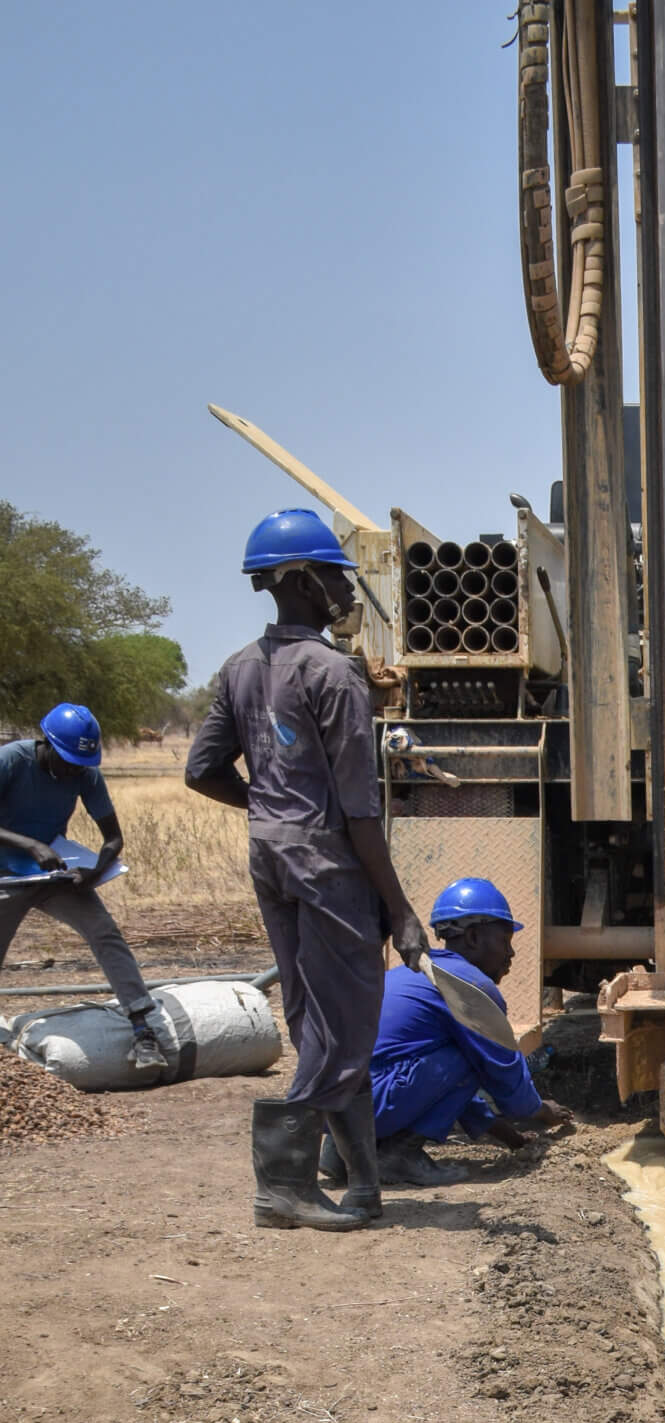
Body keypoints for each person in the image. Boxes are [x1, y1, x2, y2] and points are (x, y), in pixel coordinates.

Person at [186, 509, 428, 1232]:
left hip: (271, 855)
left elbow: (202, 771)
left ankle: (363, 1186)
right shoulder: (333, 673)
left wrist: (269, 808)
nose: (345, 588)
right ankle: (283, 1186)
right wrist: (401, 911)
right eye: (333, 574)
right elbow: (359, 810)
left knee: (318, 1022)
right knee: (346, 1028)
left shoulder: (239, 668)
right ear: (297, 580)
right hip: (327, 864)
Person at [322, 876, 571, 1190]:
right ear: (473, 937)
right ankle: (399, 1154)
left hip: (339, 1108)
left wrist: (511, 1138)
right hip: (376, 1101)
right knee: (469, 1056)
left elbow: (446, 1089)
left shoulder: (413, 972)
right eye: (505, 941)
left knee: (459, 1056)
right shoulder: (469, 987)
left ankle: (342, 1151)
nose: (511, 954)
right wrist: (542, 1110)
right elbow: (507, 1081)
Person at [0, 706, 165, 1073]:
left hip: (51, 874)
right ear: (47, 744)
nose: (74, 770)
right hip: (6, 874)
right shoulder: (11, 760)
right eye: (68, 762)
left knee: (104, 931)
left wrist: (93, 873)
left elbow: (113, 838)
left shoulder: (86, 772)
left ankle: (143, 1029)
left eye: (81, 764)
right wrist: (31, 845)